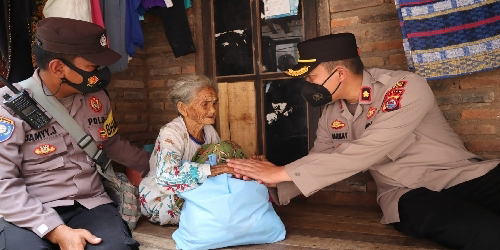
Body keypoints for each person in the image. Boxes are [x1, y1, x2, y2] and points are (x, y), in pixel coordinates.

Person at [228, 33, 500, 250]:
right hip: (407, 193)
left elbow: (366, 151)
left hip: (463, 175)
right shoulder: (330, 113)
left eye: (311, 77)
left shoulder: (405, 87)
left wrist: (279, 172)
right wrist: (266, 184)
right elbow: (319, 159)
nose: (307, 85)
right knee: (486, 233)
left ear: (340, 74)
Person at [0, 17, 150, 250]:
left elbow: (111, 143)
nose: (100, 73)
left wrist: (159, 166)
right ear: (58, 68)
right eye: (92, 66)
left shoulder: (97, 98)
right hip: (28, 208)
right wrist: (55, 231)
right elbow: (3, 183)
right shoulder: (8, 107)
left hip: (89, 203)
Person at [139, 74, 234, 225]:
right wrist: (211, 170)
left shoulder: (209, 131)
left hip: (194, 192)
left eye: (214, 103)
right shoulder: (170, 133)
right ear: (183, 108)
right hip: (162, 199)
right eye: (205, 104)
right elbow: (166, 178)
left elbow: (222, 162)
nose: (213, 110)